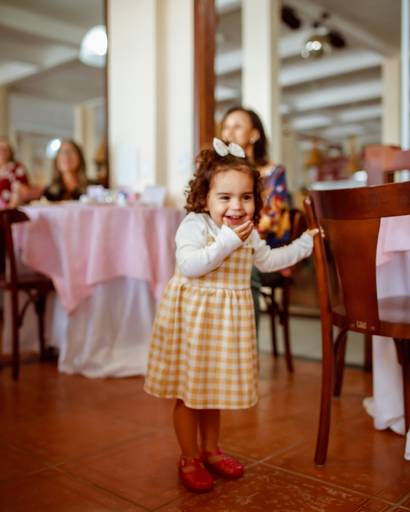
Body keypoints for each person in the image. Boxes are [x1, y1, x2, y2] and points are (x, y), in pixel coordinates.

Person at [144, 138, 318, 493]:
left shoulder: (249, 233)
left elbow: (268, 261)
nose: (236, 206)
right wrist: (226, 241)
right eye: (225, 197)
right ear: (204, 199)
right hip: (193, 322)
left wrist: (305, 245)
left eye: (246, 197)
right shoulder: (195, 224)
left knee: (211, 391)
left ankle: (210, 450)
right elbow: (190, 265)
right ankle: (189, 456)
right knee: (188, 393)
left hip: (223, 326)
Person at [221, 107, 292, 331]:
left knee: (243, 267)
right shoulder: (221, 173)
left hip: (267, 251)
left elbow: (271, 220)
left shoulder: (274, 173)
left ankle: (248, 348)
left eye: (237, 126)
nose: (229, 132)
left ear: (254, 134)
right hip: (230, 247)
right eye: (226, 127)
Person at [0, 137, 30, 209]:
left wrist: (9, 209)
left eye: (5, 149)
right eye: (0, 149)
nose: (2, 152)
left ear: (10, 152)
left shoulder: (17, 168)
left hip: (9, 209)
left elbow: (23, 190)